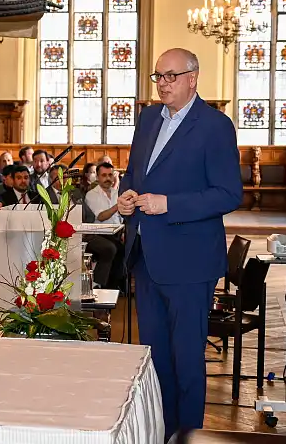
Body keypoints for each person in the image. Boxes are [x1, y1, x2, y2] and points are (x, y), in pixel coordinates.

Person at [117, 48, 242, 440]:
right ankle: (161, 430)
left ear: (193, 78)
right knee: (154, 358)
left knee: (186, 359)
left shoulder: (215, 126)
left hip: (189, 261)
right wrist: (125, 197)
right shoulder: (148, 118)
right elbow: (133, 173)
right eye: (158, 76)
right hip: (146, 257)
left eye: (171, 76)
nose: (163, 84)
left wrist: (168, 204)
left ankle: (188, 435)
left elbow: (228, 194)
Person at [83, 162, 125, 290]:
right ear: (97, 177)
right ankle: (99, 285)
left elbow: (122, 217)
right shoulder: (91, 194)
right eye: (104, 175)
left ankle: (115, 286)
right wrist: (118, 205)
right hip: (96, 234)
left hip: (116, 232)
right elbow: (101, 216)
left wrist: (124, 231)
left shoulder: (117, 193)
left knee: (127, 248)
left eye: (110, 175)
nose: (107, 178)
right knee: (110, 249)